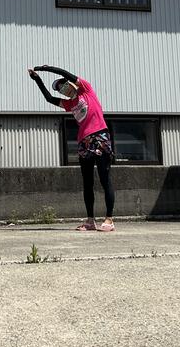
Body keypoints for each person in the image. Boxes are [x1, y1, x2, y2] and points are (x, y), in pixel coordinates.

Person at [28, 65, 116, 232]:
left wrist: (45, 69)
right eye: (61, 90)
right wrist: (37, 79)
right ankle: (90, 221)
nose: (63, 90)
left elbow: (64, 73)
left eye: (64, 85)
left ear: (72, 84)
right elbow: (49, 98)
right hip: (84, 142)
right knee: (87, 182)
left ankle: (109, 220)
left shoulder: (86, 90)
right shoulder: (69, 104)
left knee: (105, 179)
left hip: (100, 136)